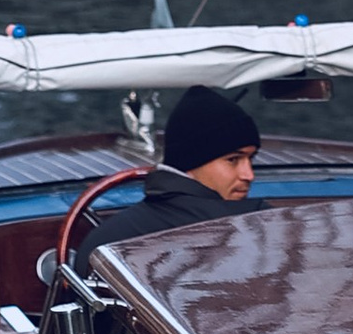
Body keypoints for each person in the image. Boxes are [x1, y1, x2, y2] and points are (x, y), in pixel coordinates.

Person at [77, 85, 263, 247]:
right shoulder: (261, 224)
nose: (248, 175)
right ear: (190, 161)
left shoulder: (105, 240)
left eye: (251, 158)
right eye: (233, 160)